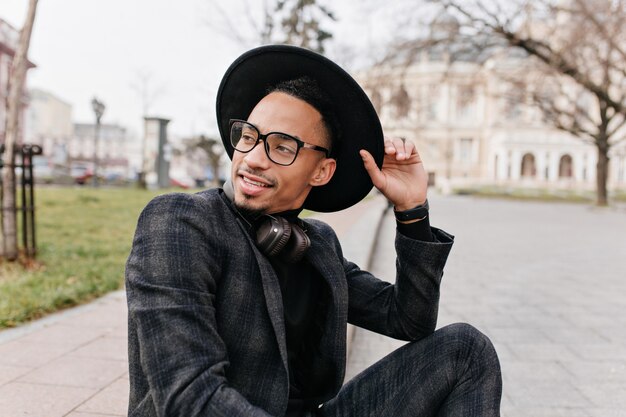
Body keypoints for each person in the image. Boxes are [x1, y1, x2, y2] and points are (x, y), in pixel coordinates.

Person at [125, 45, 502, 417]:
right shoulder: (180, 223)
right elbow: (189, 398)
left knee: (466, 351)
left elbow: (409, 319)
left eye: (282, 146)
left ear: (322, 172)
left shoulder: (315, 245)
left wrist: (411, 211)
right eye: (248, 136)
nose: (253, 159)